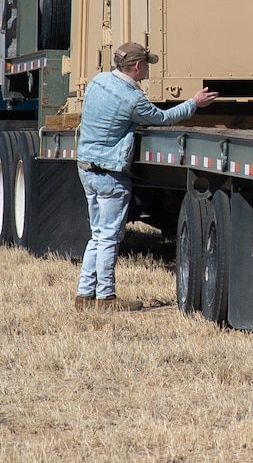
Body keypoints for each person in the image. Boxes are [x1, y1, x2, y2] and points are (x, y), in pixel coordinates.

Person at [74, 42, 217, 311]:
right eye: (146, 65)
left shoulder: (97, 82)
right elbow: (163, 118)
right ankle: (105, 297)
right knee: (109, 237)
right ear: (137, 66)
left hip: (86, 168)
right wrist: (193, 103)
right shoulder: (131, 99)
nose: (148, 70)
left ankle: (84, 295)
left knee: (97, 234)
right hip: (110, 174)